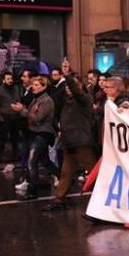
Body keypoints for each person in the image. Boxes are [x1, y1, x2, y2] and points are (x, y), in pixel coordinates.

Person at [43, 72, 96, 212]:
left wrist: (67, 77)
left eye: (72, 86)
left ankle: (105, 197)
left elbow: (77, 93)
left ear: (80, 87)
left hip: (81, 142)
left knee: (93, 171)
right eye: (66, 86)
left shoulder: (84, 100)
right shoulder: (68, 102)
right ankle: (59, 199)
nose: (68, 88)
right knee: (66, 172)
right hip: (69, 143)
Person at [14, 75, 59, 201]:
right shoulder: (36, 99)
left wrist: (23, 110)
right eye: (33, 84)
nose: (34, 87)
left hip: (43, 133)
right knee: (45, 161)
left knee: (31, 161)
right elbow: (31, 116)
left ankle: (33, 191)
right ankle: (63, 176)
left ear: (44, 86)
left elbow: (38, 118)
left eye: (37, 85)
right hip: (34, 132)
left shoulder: (47, 100)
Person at [0, 71, 22, 162]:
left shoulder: (15, 89)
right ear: (4, 80)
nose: (10, 80)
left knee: (15, 137)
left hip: (14, 117)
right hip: (4, 117)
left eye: (11, 78)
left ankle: (16, 154)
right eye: (8, 79)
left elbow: (18, 100)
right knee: (3, 137)